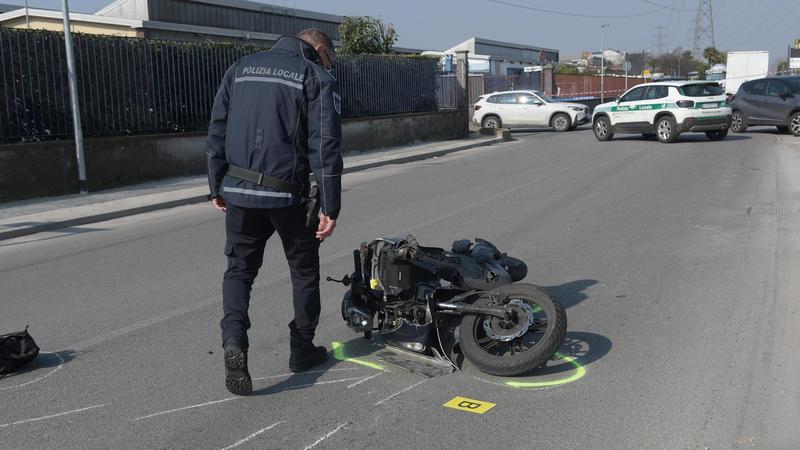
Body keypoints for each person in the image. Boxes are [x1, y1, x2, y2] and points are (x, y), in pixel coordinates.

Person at [206, 29, 342, 396]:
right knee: (303, 270)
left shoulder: (241, 67)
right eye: (331, 58)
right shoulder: (314, 76)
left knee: (238, 270)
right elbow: (324, 146)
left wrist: (215, 185)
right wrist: (331, 206)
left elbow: (217, 129)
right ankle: (301, 350)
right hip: (288, 197)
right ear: (320, 49)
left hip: (238, 191)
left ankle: (234, 340)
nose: (331, 65)